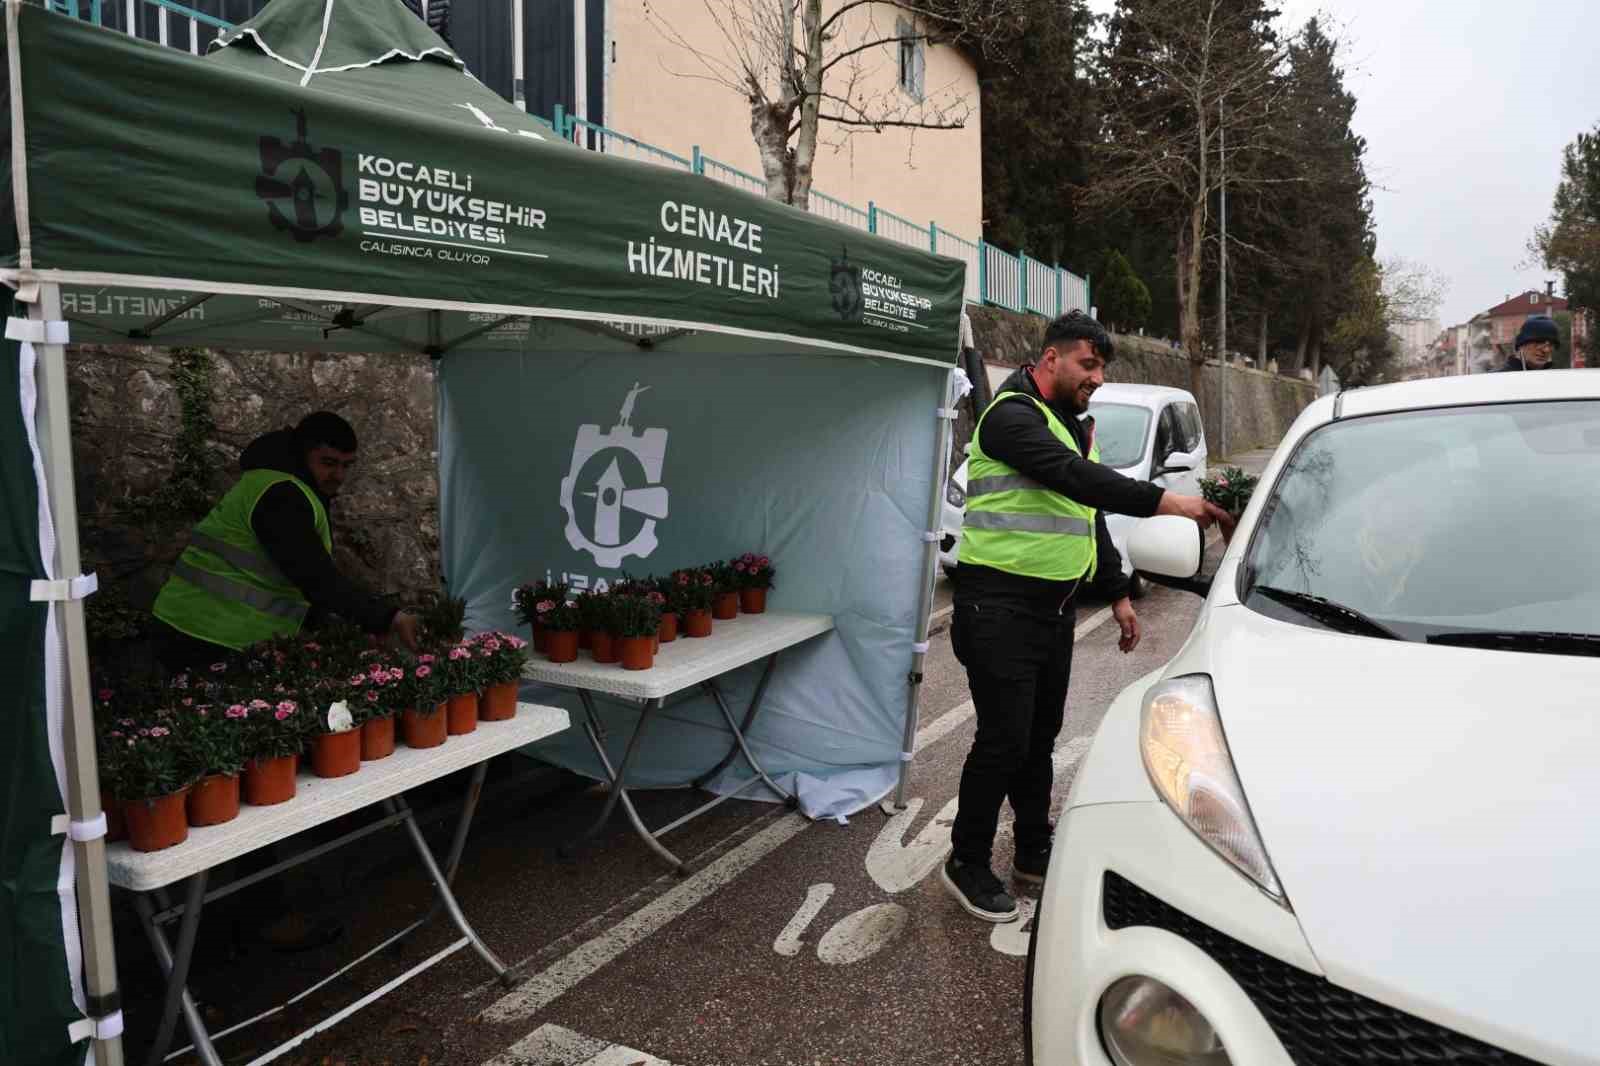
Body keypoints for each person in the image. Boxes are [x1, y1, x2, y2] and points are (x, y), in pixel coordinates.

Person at [942, 311, 1234, 922]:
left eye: (1102, 367)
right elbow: (1078, 478)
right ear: (1051, 359)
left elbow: (1085, 514)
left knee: (1039, 737)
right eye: (1088, 364)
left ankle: (1031, 849)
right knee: (1003, 740)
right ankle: (966, 860)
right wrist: (1170, 503)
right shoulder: (1009, 417)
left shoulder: (1072, 425)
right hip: (994, 606)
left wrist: (1119, 591)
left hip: (1053, 609)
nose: (1096, 377)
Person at [151, 411, 419, 672]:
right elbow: (315, 577)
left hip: (197, 624)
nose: (339, 476)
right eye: (328, 463)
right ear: (303, 454)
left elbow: (299, 576)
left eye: (346, 465)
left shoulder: (278, 484)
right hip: (210, 634)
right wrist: (386, 618)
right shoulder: (282, 496)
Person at [1495, 316, 1559, 372]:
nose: (1546, 350)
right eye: (1539, 341)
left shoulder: (1554, 379)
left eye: (1551, 343)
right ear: (1521, 345)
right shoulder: (1498, 378)